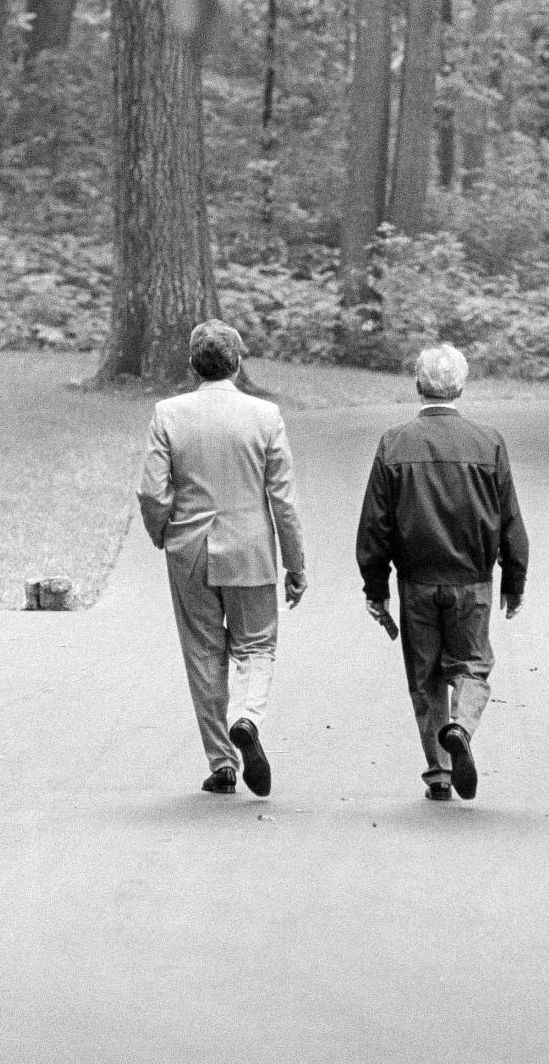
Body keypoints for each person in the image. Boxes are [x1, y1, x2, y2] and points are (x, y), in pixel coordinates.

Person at [137, 320, 307, 797]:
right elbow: (284, 500)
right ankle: (247, 718)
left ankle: (222, 763)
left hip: (189, 549)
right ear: (238, 362)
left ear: (193, 365)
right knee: (257, 646)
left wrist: (164, 534)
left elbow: (151, 490)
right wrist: (295, 564)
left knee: (203, 653)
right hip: (250, 550)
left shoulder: (167, 413)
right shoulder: (266, 416)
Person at [355, 343, 529, 802]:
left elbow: (376, 523)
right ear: (462, 385)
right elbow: (510, 518)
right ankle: (462, 727)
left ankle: (440, 771)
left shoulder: (394, 442)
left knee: (425, 674)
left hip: (416, 582)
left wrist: (376, 587)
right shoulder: (488, 442)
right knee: (472, 665)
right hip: (472, 580)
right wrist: (515, 580)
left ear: (418, 385)